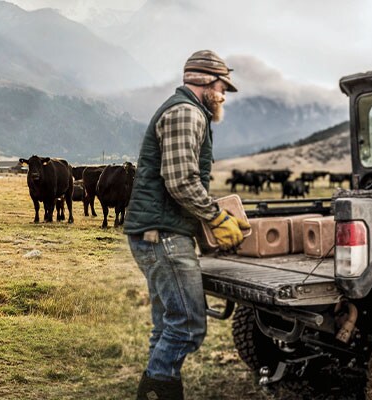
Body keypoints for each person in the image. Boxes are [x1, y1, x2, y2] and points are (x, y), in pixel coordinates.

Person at [123, 50, 248, 400]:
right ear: (206, 81)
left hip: (156, 232)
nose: (224, 94)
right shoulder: (186, 113)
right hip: (163, 235)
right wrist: (216, 216)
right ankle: (160, 389)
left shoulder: (186, 112)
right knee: (188, 324)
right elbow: (180, 182)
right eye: (222, 86)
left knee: (167, 324)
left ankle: (154, 390)